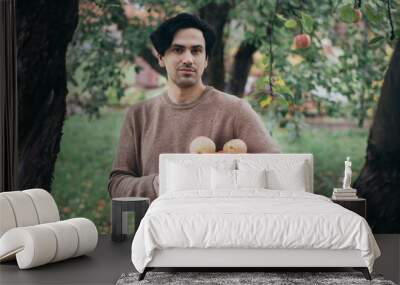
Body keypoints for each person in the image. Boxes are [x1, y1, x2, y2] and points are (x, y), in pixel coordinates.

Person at [107, 13, 280, 202]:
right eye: (178, 50)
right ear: (161, 58)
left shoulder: (236, 110)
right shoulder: (139, 115)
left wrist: (224, 173)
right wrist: (160, 183)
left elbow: (277, 170)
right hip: (158, 227)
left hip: (219, 225)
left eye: (196, 51)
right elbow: (118, 184)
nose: (188, 59)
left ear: (206, 60)